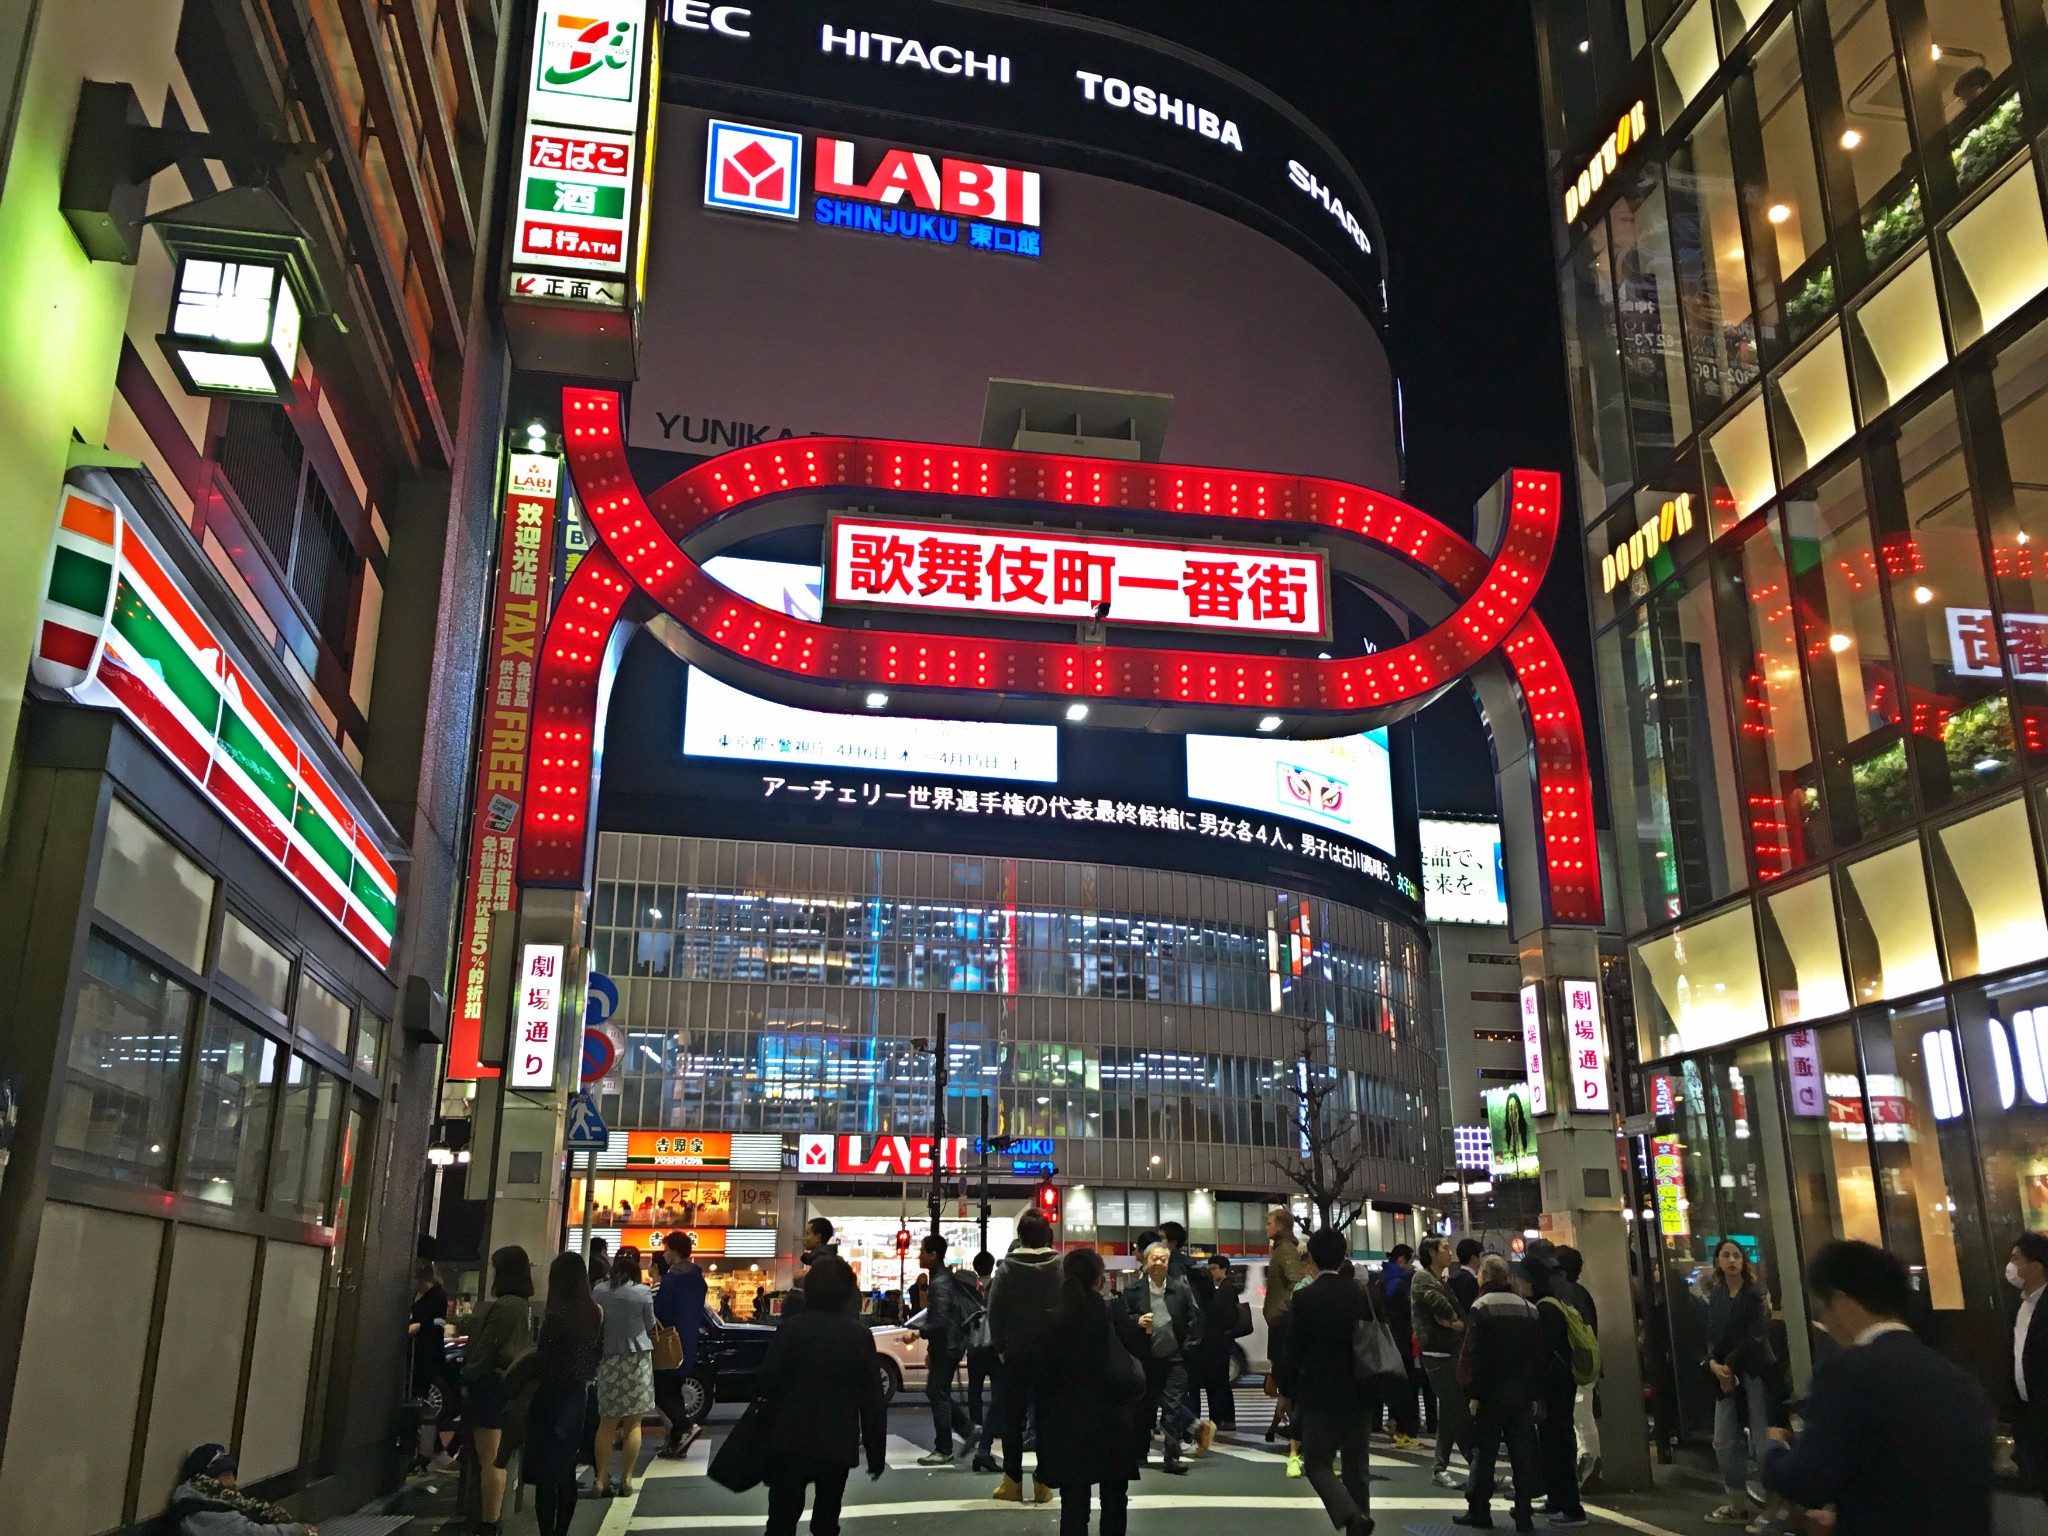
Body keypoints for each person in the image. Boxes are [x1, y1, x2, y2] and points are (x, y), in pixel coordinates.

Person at [1761, 1239, 1995, 1535]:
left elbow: (1807, 1480)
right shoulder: (1957, 1379)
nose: (1825, 1321)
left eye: (1825, 1308)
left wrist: (1773, 1449)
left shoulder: (1846, 1373)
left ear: (1843, 1302)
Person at [753, 1256, 887, 1536]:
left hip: (790, 1437)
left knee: (781, 1519)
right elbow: (872, 1400)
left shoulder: (791, 1329)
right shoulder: (859, 1336)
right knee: (827, 1518)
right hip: (836, 1440)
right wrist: (875, 1454)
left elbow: (766, 1382)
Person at [1034, 1247, 1149, 1536]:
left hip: (1068, 1422)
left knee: (1074, 1505)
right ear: (1100, 1280)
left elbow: (1041, 1379)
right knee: (1113, 1499)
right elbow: (1134, 1358)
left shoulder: (1052, 1319)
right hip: (1112, 1419)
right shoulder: (1113, 1314)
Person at [1271, 1226, 1373, 1536]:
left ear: (1311, 1258)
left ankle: (1351, 1517)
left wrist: (1285, 1390)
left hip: (1319, 1390)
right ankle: (1360, 1519)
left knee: (1317, 1463)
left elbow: (1294, 1349)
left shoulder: (1305, 1297)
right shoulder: (1362, 1294)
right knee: (1357, 1468)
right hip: (1361, 1388)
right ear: (1344, 1256)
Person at [1455, 1254, 1542, 1533]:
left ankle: (1479, 1510)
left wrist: (1474, 1392)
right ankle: (1524, 1514)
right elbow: (1535, 1356)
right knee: (1522, 1454)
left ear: (1485, 1276)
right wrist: (1534, 1393)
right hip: (1522, 1393)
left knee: (1484, 1452)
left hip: (1491, 1393)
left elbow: (1476, 1355)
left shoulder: (1481, 1307)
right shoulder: (1529, 1309)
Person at [521, 1252, 604, 1536]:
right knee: (567, 1469)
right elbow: (598, 1355)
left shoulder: (555, 1316)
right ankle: (562, 1532)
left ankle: (548, 1531)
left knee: (547, 1474)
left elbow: (543, 1358)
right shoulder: (594, 1313)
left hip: (550, 1397)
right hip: (578, 1398)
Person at [986, 1207, 1062, 1503]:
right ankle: (1043, 1482)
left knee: (1012, 1419)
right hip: (1050, 1354)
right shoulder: (1059, 1266)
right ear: (1047, 1235)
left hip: (1016, 1354)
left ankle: (1012, 1481)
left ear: (1020, 1236)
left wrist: (1001, 1347)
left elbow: (995, 1311)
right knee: (1046, 1418)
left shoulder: (1007, 1268)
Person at [1697, 1239, 1774, 1527]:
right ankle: (1737, 1504)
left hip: (1753, 1371)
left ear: (1743, 1261)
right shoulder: (1716, 1295)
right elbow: (1710, 1335)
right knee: (1723, 1441)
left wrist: (1729, 1364)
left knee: (1762, 1441)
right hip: (1725, 1376)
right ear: (1718, 1261)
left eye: (1736, 1255)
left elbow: (1758, 1334)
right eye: (1725, 1255)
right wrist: (1714, 1364)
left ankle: (1774, 1509)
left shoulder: (1755, 1293)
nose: (1731, 1260)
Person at [461, 1246, 535, 1536]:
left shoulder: (505, 1306)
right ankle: (492, 1519)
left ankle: (489, 1522)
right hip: (509, 1386)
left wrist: (466, 1376)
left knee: (489, 1460)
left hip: (490, 1388)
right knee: (498, 1458)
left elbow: (486, 1351)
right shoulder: (523, 1306)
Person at [1119, 1240, 1206, 1471]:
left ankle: (1172, 1457)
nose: (1158, 1262)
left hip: (1174, 1358)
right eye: (1153, 1258)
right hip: (1145, 1359)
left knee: (1173, 1407)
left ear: (1168, 1262)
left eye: (1163, 1259)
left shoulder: (1181, 1289)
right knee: (1143, 1407)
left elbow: (1195, 1320)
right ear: (1145, 1262)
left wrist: (1187, 1348)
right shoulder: (1134, 1291)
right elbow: (1120, 1321)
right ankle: (1139, 1453)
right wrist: (1135, 1321)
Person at [1520, 1241, 1588, 1527]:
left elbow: (1542, 1354)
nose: (1519, 1284)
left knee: (1558, 1445)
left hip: (1554, 1388)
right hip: (1560, 1385)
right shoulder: (1555, 1303)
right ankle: (1558, 1501)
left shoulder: (1545, 1310)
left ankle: (1571, 1508)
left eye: (1522, 1279)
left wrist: (1533, 1389)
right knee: (1553, 1444)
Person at [594, 1246, 659, 1494]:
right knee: (633, 1424)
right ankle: (626, 1480)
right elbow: (650, 1324)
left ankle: (600, 1479)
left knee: (606, 1424)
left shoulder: (599, 1291)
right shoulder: (642, 1292)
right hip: (636, 1361)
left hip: (608, 1359)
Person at [1412, 1236, 1470, 1490]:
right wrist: (1451, 1320)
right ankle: (1479, 1467)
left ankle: (1440, 1468)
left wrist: (1454, 1321)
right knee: (1458, 1411)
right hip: (1436, 1353)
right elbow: (1445, 1308)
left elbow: (1460, 1316)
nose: (1450, 1252)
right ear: (1432, 1253)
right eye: (1445, 1248)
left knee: (1449, 1411)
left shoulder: (1440, 1279)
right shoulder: (1423, 1278)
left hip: (1449, 1352)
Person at [916, 1233, 978, 1464]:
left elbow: (940, 1323)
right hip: (950, 1345)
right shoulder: (943, 1279)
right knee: (937, 1391)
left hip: (947, 1345)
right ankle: (968, 1429)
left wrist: (920, 1332)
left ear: (933, 1255)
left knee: (937, 1393)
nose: (918, 1256)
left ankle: (944, 1448)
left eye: (922, 1251)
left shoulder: (939, 1283)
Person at [170, 1444, 313, 1535]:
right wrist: (298, 1531)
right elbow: (250, 1533)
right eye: (225, 1475)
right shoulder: (202, 1509)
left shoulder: (211, 1501)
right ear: (208, 1479)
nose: (233, 1482)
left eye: (233, 1474)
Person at [653, 1230, 709, 1457]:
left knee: (661, 1390)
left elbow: (658, 1313)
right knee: (674, 1388)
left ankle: (685, 1426)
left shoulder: (671, 1282)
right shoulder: (698, 1280)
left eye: (666, 1249)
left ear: (674, 1251)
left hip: (667, 1343)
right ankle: (676, 1444)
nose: (664, 1254)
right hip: (688, 1342)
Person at [1265, 1207, 1308, 1477]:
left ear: (1280, 1225)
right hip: (1279, 1325)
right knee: (1285, 1383)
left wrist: (1280, 1310)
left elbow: (1297, 1284)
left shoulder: (1286, 1251)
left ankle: (1298, 1438)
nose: (1266, 1227)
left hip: (1282, 1326)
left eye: (1269, 1222)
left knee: (1288, 1383)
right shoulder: (1282, 1249)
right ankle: (1293, 1433)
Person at [1554, 1246, 1600, 1483]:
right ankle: (1587, 1466)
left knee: (1581, 1417)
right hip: (1587, 1364)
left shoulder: (1564, 1295)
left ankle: (1589, 1467)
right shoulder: (1582, 1292)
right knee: (1583, 1415)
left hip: (1575, 1366)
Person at [2011, 1231, 2048, 1507]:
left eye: (2016, 1259)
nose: (2011, 1267)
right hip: (2031, 1417)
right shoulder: (2021, 1306)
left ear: (2035, 1266)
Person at [1378, 1245, 1420, 1448]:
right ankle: (1405, 1428)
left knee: (1393, 1384)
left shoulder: (1380, 1280)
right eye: (1410, 1262)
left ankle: (1394, 1422)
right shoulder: (1402, 1284)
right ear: (1402, 1260)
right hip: (1402, 1340)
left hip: (1385, 1339)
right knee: (1406, 1384)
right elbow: (1409, 1313)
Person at [1197, 1255, 1242, 1432]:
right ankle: (1225, 1419)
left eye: (1214, 1268)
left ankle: (1221, 1419)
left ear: (1223, 1269)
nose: (1211, 1271)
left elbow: (1226, 1316)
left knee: (1217, 1382)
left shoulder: (1226, 1289)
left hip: (1219, 1343)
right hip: (1221, 1342)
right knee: (1220, 1382)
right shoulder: (1221, 1288)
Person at [966, 1249, 998, 1438]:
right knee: (997, 1389)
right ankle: (995, 1425)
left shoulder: (970, 1288)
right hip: (994, 1345)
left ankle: (976, 1424)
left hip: (974, 1345)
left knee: (974, 1388)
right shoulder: (998, 1285)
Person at [1449, 1240, 1482, 1312]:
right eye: (1479, 1256)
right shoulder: (1472, 1281)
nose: (1481, 1259)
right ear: (1473, 1258)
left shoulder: (1452, 1279)